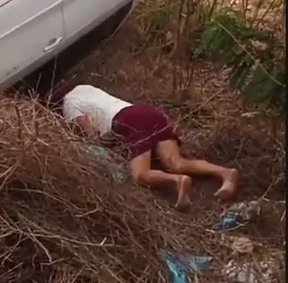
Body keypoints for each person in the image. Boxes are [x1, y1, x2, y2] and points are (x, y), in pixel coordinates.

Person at [62, 84, 240, 211]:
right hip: (146, 112)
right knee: (176, 162)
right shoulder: (83, 87)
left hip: (128, 122)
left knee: (140, 175)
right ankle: (226, 173)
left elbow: (90, 131)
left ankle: (178, 181)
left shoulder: (68, 104)